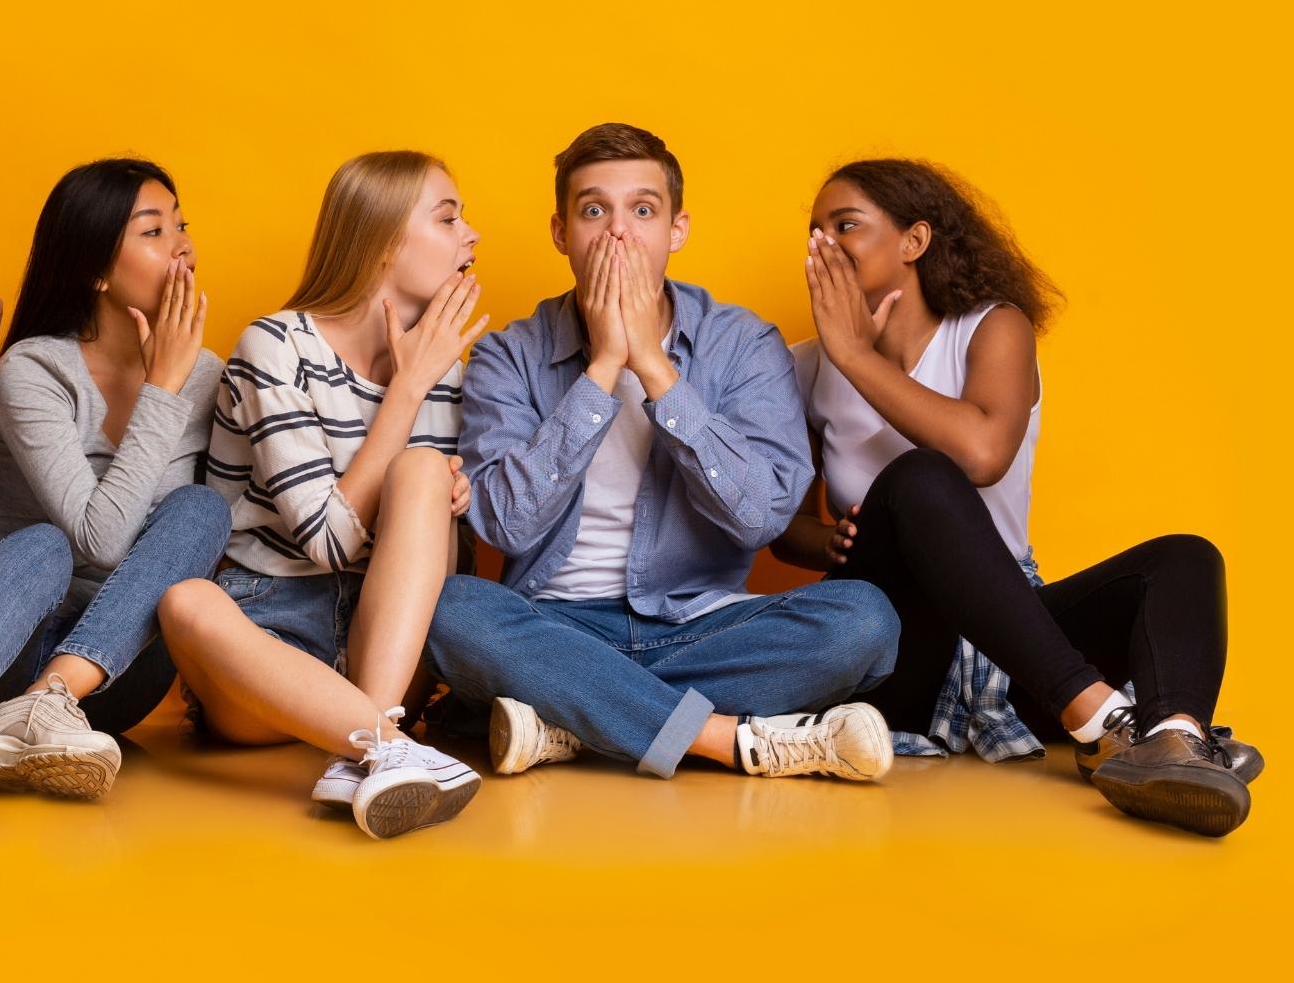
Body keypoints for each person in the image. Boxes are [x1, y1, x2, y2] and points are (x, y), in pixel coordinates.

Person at [769, 158, 1260, 836]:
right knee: (918, 478)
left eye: (844, 225)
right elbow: (777, 524)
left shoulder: (992, 328)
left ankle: (1171, 743)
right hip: (896, 647)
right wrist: (821, 540)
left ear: (914, 241)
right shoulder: (805, 366)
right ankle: (1102, 722)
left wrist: (858, 355)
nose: (822, 244)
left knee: (1184, 558)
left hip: (1014, 648)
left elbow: (982, 452)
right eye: (815, 231)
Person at [425, 123, 901, 785]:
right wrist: (603, 367)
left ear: (676, 229)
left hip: (701, 625)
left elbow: (761, 516)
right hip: (554, 624)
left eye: (642, 211)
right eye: (594, 210)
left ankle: (570, 717)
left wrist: (653, 368)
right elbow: (505, 524)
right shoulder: (510, 354)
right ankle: (722, 740)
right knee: (450, 611)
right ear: (562, 232)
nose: (619, 234)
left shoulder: (741, 345)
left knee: (863, 623)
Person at [0, 158, 230, 831]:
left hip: (104, 685)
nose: (184, 246)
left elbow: (215, 536)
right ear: (97, 272)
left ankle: (48, 706)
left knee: (203, 511)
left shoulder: (208, 376)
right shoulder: (34, 369)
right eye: (155, 232)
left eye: (182, 226)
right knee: (45, 543)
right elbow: (95, 539)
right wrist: (162, 388)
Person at [156, 151, 486, 839]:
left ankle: (367, 746)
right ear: (385, 241)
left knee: (424, 472)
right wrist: (406, 391)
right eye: (449, 217)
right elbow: (328, 541)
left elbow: (426, 555)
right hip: (268, 641)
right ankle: (382, 744)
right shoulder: (273, 347)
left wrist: (440, 499)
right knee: (186, 601)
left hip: (383, 640)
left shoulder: (440, 364)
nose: (471, 235)